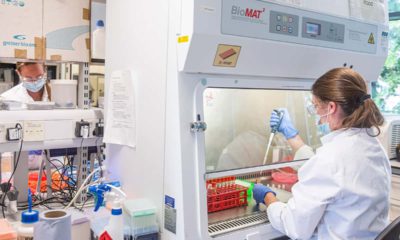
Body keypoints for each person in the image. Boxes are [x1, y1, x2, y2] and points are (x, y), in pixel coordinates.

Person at [253, 67, 391, 239]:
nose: (317, 115)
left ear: (331, 107)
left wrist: (268, 198)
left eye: (316, 106)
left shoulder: (332, 158)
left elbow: (294, 225)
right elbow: (331, 172)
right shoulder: (374, 146)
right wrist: (291, 135)